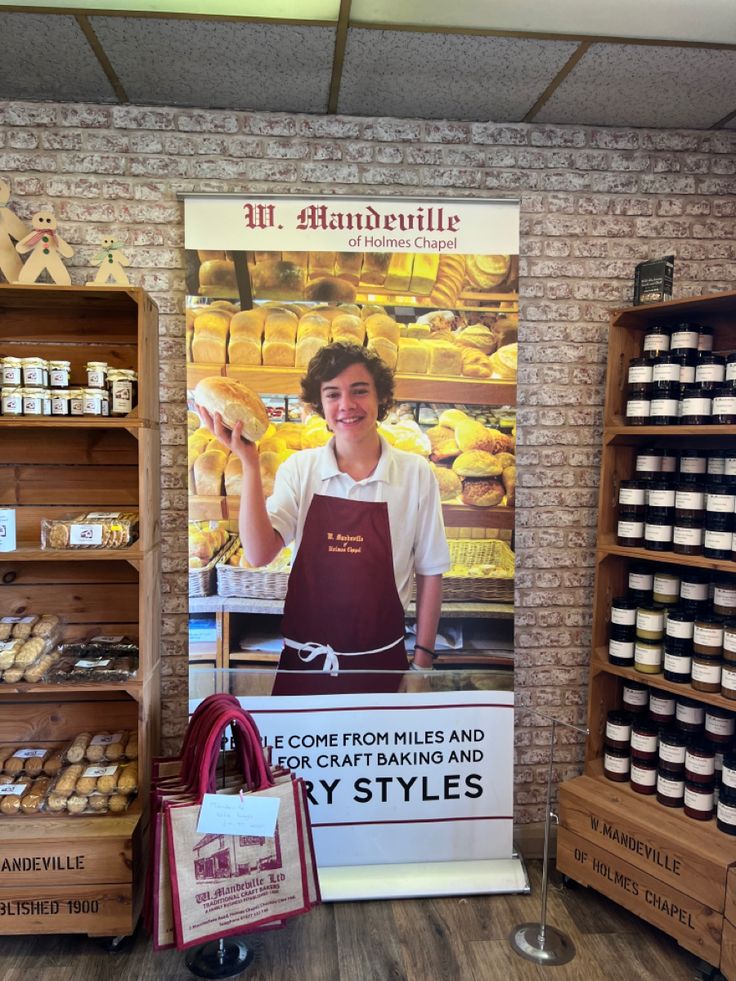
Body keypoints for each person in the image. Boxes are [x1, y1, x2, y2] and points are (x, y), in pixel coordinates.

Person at [197, 340, 450, 695]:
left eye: (359, 391)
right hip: (306, 667)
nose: (346, 405)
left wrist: (422, 664)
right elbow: (258, 553)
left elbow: (430, 572)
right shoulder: (301, 469)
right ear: (320, 405)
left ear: (381, 399)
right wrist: (249, 463)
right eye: (332, 395)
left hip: (382, 667)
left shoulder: (415, 474)